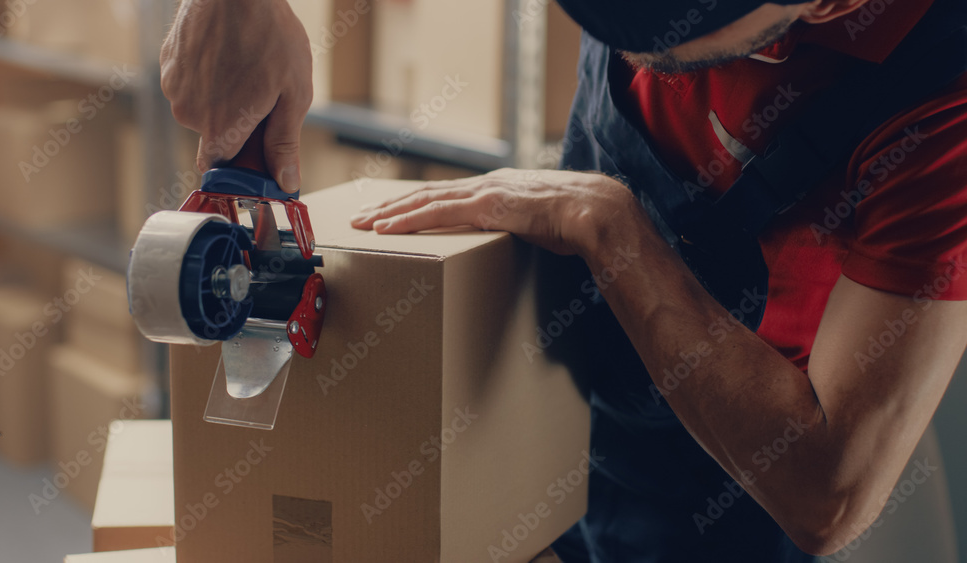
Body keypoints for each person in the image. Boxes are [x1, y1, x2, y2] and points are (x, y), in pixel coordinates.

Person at [161, 1, 967, 561]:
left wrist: (612, 230)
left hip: (714, 492)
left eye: (667, 58)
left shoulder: (941, 102)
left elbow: (830, 494)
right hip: (541, 402)